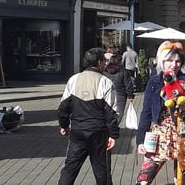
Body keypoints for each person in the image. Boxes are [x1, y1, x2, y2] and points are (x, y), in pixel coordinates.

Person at [135, 41, 185, 185]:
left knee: (183, 179)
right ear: (162, 61)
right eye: (169, 60)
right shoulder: (154, 81)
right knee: (144, 179)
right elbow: (146, 112)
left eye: (177, 61)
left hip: (183, 132)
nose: (174, 65)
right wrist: (140, 140)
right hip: (160, 133)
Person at [57, 47, 119, 185]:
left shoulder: (74, 80)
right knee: (100, 169)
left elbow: (63, 108)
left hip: (78, 131)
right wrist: (113, 135)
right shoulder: (105, 82)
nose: (106, 63)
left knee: (70, 168)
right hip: (98, 132)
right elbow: (111, 113)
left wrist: (64, 125)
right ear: (98, 62)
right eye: (104, 60)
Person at [104, 52, 135, 124]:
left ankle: (107, 129)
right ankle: (113, 128)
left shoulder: (105, 71)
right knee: (118, 114)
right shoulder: (123, 71)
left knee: (107, 112)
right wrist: (130, 95)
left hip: (107, 94)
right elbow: (128, 84)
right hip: (120, 95)